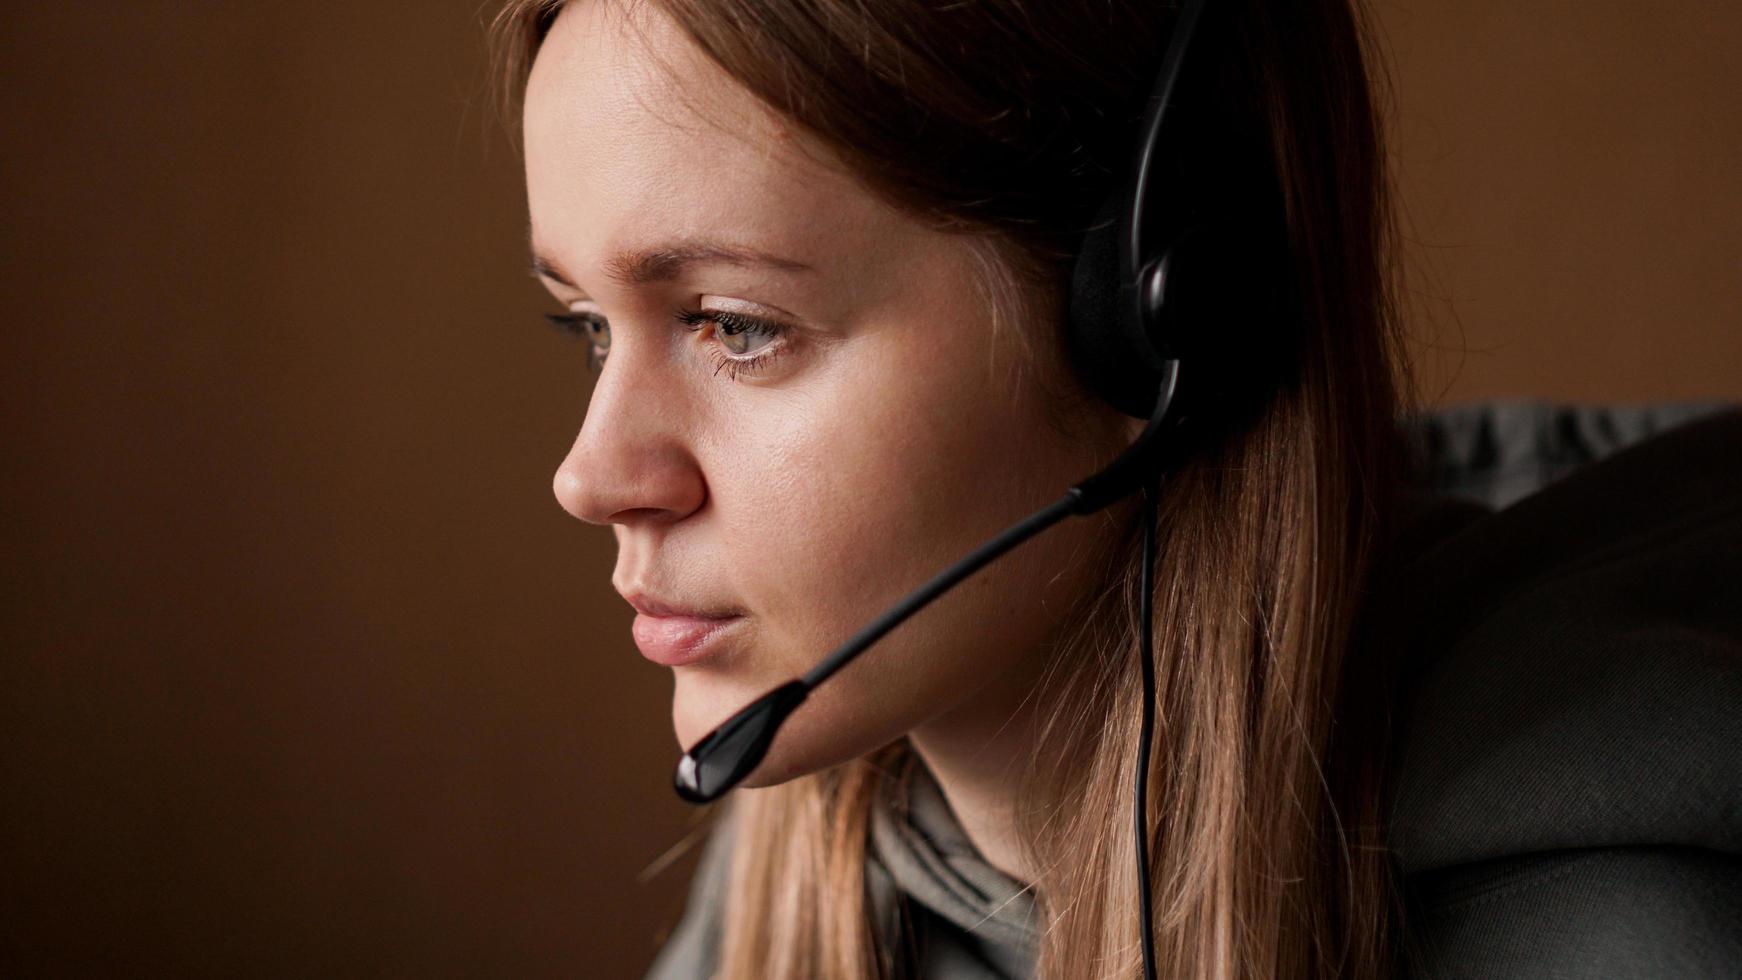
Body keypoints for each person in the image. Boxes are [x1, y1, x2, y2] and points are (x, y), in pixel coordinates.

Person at [492, 0, 1742, 977]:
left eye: (734, 326)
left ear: (1156, 325)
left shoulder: (1625, 937)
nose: (592, 476)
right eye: (588, 328)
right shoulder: (801, 896)